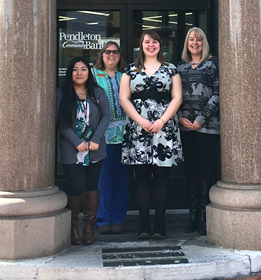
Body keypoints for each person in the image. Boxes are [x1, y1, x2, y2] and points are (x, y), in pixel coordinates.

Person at [120, 30, 183, 240]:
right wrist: (142, 121)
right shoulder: (130, 70)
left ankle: (160, 223)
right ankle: (144, 224)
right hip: (139, 128)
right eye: (147, 41)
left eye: (155, 41)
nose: (151, 45)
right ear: (141, 45)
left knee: (162, 175)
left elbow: (177, 97)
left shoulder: (171, 69)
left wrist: (162, 121)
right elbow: (124, 98)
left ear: (160, 45)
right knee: (142, 177)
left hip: (164, 128)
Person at [56, 57, 111, 245]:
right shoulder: (61, 94)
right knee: (76, 187)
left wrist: (95, 139)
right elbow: (61, 122)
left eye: (83, 69)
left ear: (89, 73)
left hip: (95, 150)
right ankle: (73, 228)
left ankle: (88, 227)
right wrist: (76, 141)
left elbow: (106, 115)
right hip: (72, 150)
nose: (79, 73)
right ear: (69, 73)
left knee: (91, 187)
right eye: (75, 69)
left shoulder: (97, 92)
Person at [177, 27, 220, 235]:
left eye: (199, 40)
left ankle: (204, 217)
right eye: (191, 40)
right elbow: (174, 96)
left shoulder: (213, 64)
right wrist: (180, 119)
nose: (195, 43)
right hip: (185, 128)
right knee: (190, 172)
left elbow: (218, 94)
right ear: (187, 43)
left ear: (204, 43)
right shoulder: (180, 68)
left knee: (205, 172)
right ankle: (192, 216)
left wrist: (201, 120)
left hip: (208, 128)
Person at [91, 41, 129, 234]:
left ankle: (117, 218)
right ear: (102, 55)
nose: (111, 55)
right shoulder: (93, 76)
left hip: (125, 134)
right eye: (108, 51)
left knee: (122, 178)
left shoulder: (126, 76)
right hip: (102, 134)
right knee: (103, 178)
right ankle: (102, 219)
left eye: (115, 52)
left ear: (120, 56)